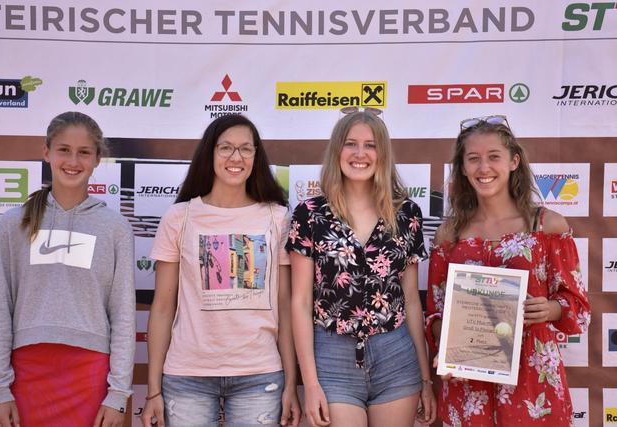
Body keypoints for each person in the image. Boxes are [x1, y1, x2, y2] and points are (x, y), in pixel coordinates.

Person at [425, 115, 591, 426]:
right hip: (467, 379)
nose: (483, 168)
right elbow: (434, 314)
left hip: (533, 378)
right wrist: (448, 346)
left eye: (493, 157)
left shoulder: (547, 226)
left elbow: (578, 308)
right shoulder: (449, 234)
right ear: (462, 167)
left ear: (514, 161)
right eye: (473, 159)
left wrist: (551, 309)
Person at [141, 114, 301, 427]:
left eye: (245, 149)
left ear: (256, 156)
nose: (235, 157)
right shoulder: (180, 217)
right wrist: (152, 392)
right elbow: (161, 308)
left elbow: (285, 305)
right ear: (210, 154)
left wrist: (291, 386)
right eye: (225, 148)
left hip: (259, 374)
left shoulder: (278, 218)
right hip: (187, 375)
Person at [0, 111, 136, 427]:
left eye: (84, 152)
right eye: (64, 149)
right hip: (26, 374)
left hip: (90, 375)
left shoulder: (115, 228)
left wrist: (118, 394)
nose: (73, 160)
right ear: (46, 152)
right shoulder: (15, 223)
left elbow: (123, 315)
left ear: (97, 160)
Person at [286, 111, 436, 427]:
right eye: (350, 144)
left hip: (395, 354)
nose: (359, 153)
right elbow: (300, 302)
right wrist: (310, 384)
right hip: (332, 355)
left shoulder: (406, 214)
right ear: (336, 150)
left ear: (382, 154)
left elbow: (410, 300)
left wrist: (425, 380)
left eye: (370, 145)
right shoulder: (310, 215)